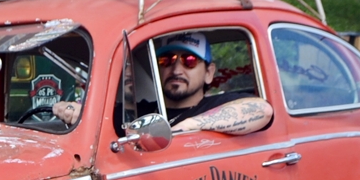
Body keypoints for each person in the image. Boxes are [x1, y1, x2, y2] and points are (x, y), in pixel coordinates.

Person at [52, 32, 272, 134]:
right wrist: (71, 110)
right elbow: (100, 116)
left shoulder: (217, 106)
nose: (176, 70)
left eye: (189, 61)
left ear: (209, 72)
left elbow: (262, 110)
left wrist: (187, 127)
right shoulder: (141, 112)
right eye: (166, 61)